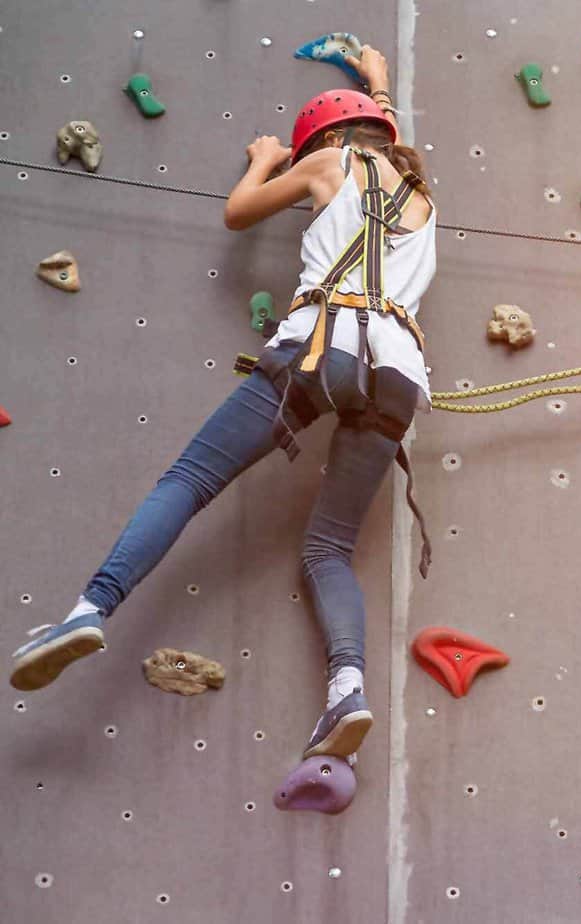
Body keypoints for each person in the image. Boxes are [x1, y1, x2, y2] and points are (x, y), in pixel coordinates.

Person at [9, 47, 436, 764]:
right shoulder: (423, 197)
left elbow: (241, 215)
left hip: (317, 347)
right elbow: (381, 132)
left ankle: (87, 612)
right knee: (330, 549)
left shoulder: (325, 164)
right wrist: (381, 84)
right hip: (398, 374)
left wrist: (267, 160)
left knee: (189, 481)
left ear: (326, 141)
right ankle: (347, 693)